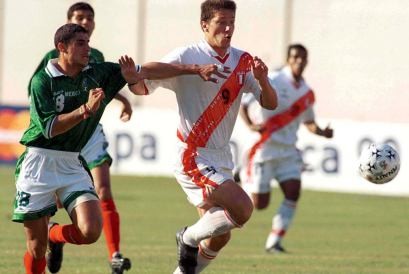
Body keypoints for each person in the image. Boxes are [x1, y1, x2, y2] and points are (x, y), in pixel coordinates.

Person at [14, 23, 223, 274]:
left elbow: (147, 70)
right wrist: (85, 110)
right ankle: (45, 239)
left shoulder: (98, 72)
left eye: (88, 42)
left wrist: (194, 69)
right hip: (39, 163)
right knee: (36, 248)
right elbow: (49, 128)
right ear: (61, 47)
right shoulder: (43, 80)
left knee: (90, 231)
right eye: (80, 43)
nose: (87, 49)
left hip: (71, 162)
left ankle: (54, 234)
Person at [118, 1, 278, 273]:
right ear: (205, 25)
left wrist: (263, 80)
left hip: (221, 157)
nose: (228, 29)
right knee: (243, 207)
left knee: (220, 235)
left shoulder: (243, 60)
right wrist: (184, 70)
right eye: (221, 22)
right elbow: (143, 82)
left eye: (232, 23)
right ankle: (187, 238)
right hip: (193, 155)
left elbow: (270, 104)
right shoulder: (188, 54)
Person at [28, 3, 134, 273]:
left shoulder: (95, 55)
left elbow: (102, 83)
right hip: (63, 133)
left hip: (89, 131)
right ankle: (53, 236)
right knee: (51, 205)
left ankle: (115, 255)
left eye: (89, 17)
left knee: (104, 189)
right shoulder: (52, 57)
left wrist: (122, 99)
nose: (85, 21)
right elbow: (36, 91)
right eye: (79, 17)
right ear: (67, 22)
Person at [238, 43, 333, 253]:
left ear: (306, 61)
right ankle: (241, 176)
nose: (299, 61)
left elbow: (309, 122)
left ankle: (274, 242)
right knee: (259, 204)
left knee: (293, 192)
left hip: (288, 150)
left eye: (302, 57)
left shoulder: (307, 93)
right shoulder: (274, 79)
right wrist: (251, 125)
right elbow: (244, 104)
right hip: (264, 148)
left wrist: (322, 132)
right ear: (289, 59)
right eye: (295, 57)